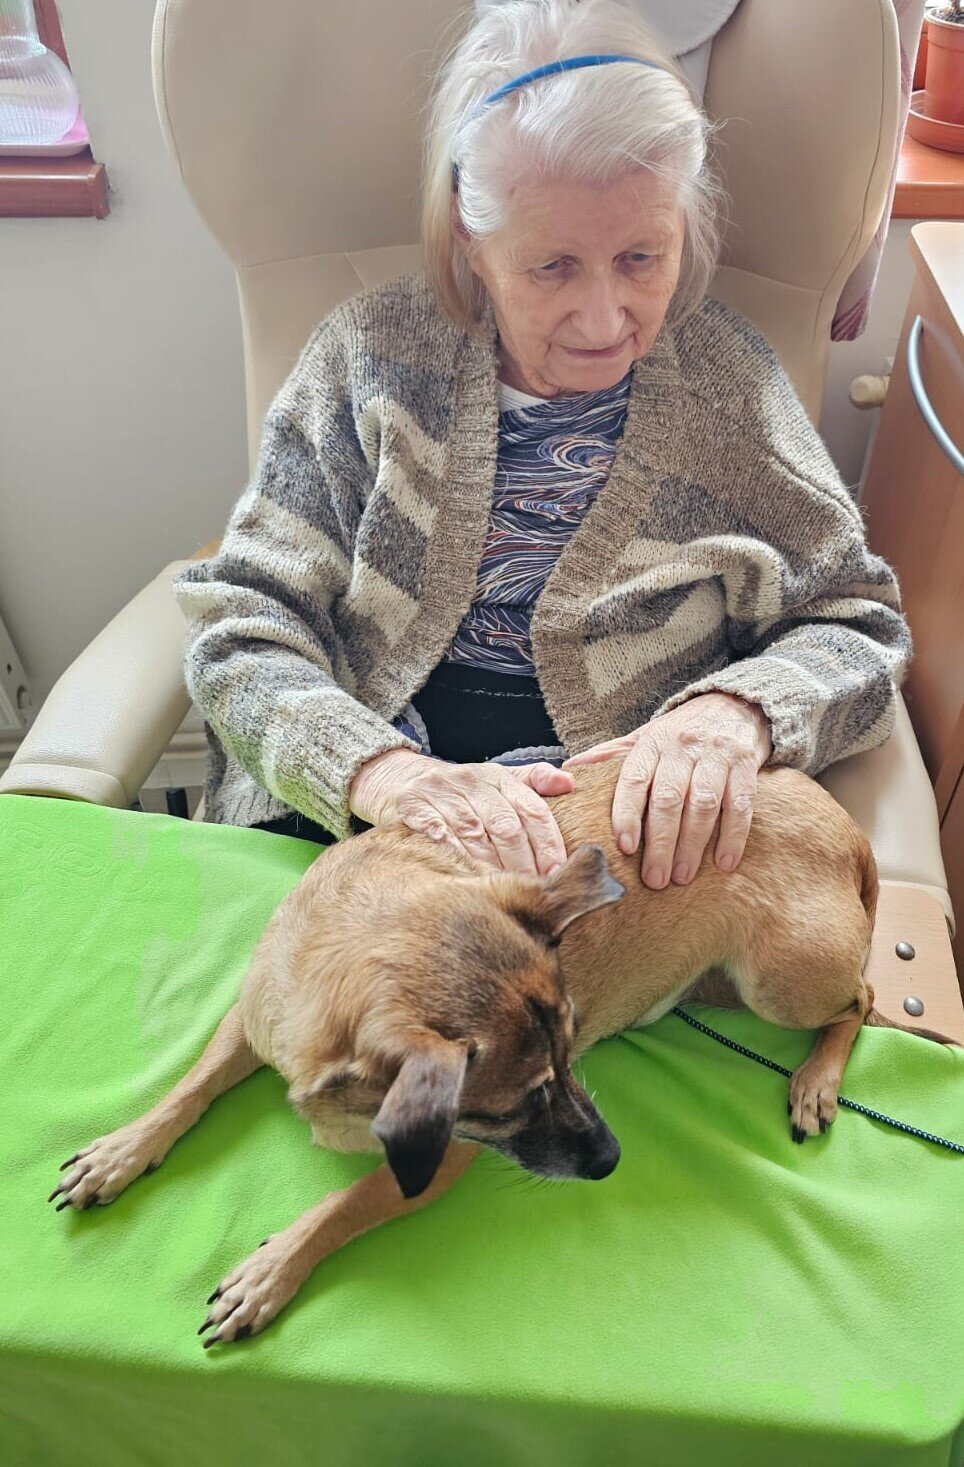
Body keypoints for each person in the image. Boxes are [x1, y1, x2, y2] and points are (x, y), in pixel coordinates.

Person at [173, 0, 910, 894]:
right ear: (471, 236)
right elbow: (243, 627)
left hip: (608, 865)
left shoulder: (728, 387)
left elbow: (853, 620)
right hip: (344, 829)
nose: (604, 322)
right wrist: (381, 772)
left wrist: (734, 714)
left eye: (642, 257)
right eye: (552, 266)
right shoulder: (368, 361)